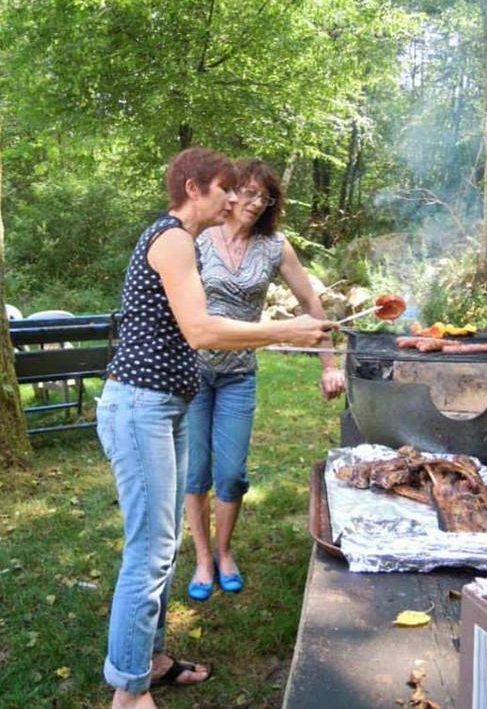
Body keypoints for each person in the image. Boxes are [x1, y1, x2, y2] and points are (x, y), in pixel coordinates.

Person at [96, 147, 334, 709]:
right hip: (139, 407)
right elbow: (203, 331)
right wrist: (284, 332)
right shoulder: (176, 240)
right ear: (193, 186)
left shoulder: (183, 240)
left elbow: (203, 323)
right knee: (148, 550)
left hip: (164, 404)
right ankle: (127, 695)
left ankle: (148, 662)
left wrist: (299, 332)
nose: (234, 199)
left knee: (161, 547)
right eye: (225, 188)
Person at [185, 158, 345, 601]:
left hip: (239, 376)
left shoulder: (275, 247)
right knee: (195, 472)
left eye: (265, 196)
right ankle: (202, 558)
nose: (255, 203)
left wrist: (329, 365)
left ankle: (224, 550)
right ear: (230, 192)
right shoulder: (196, 238)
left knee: (231, 473)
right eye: (248, 193)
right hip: (192, 373)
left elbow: (312, 303)